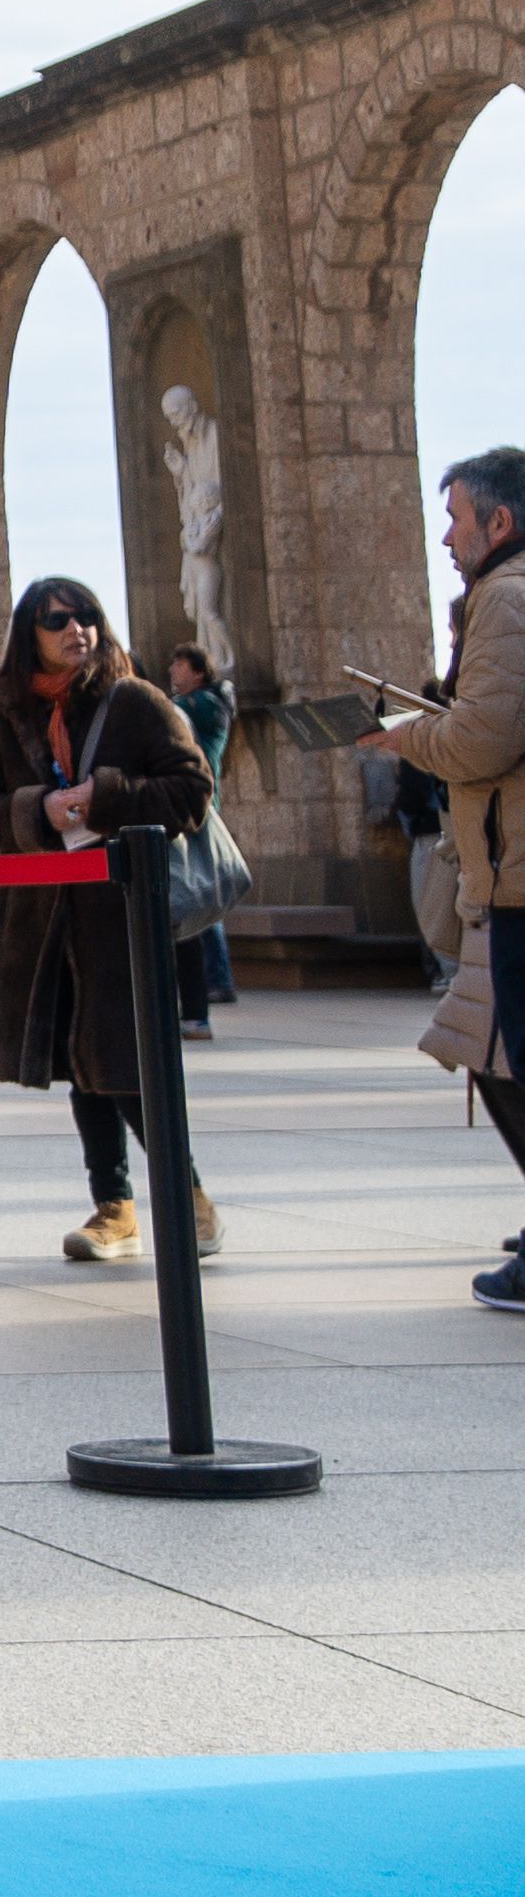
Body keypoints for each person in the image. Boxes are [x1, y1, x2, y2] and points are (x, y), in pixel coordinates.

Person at [0, 576, 212, 1265]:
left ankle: (189, 1198)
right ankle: (114, 1206)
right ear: (30, 633)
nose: (76, 628)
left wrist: (103, 799)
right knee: (80, 1063)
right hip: (43, 922)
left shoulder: (134, 700)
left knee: (129, 1064)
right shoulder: (5, 712)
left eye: (87, 616)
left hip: (119, 915)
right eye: (57, 618)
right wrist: (36, 809)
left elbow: (191, 789)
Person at [370, 449, 525, 1312]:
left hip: (516, 880)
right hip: (508, 874)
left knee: (507, 1058)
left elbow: (480, 743)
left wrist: (403, 737)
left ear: (497, 524)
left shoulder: (503, 597)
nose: (444, 535)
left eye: (457, 517)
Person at [162, 642, 242, 1026]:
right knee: (197, 891)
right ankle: (216, 979)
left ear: (198, 670)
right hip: (194, 805)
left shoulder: (205, 704)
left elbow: (166, 711)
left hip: (197, 807)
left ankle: (219, 978)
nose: (173, 671)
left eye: (179, 664)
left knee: (197, 892)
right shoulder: (201, 703)